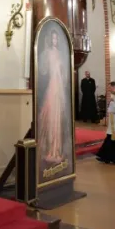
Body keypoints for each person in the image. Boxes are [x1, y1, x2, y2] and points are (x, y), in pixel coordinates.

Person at [37, 30, 69, 164]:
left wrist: (63, 75)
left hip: (60, 85)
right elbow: (43, 70)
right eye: (53, 39)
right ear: (50, 40)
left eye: (56, 39)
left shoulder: (61, 54)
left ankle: (57, 147)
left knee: (59, 115)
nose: (54, 41)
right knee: (49, 113)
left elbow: (64, 73)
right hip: (52, 84)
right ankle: (49, 146)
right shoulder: (46, 53)